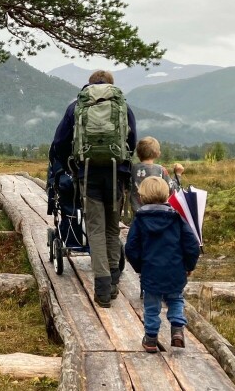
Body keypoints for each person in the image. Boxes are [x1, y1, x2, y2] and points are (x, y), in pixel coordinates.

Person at [50, 70, 136, 308]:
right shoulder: (123, 107)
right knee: (112, 230)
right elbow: (132, 142)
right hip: (116, 174)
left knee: (95, 230)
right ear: (111, 85)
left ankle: (102, 291)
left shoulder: (77, 106)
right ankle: (114, 283)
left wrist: (71, 164)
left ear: (89, 85)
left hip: (87, 174)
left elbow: (59, 143)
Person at [125, 176, 201, 353]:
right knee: (175, 299)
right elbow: (191, 245)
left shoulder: (140, 220)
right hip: (175, 270)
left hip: (151, 271)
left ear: (142, 197)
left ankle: (151, 339)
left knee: (152, 306)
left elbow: (131, 248)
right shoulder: (177, 219)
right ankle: (177, 331)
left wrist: (139, 266)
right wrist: (189, 265)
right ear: (167, 195)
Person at [130, 137, 175, 214]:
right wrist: (178, 175)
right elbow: (172, 189)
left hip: (138, 212)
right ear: (158, 153)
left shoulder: (132, 169)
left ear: (137, 153)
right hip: (158, 212)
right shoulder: (161, 170)